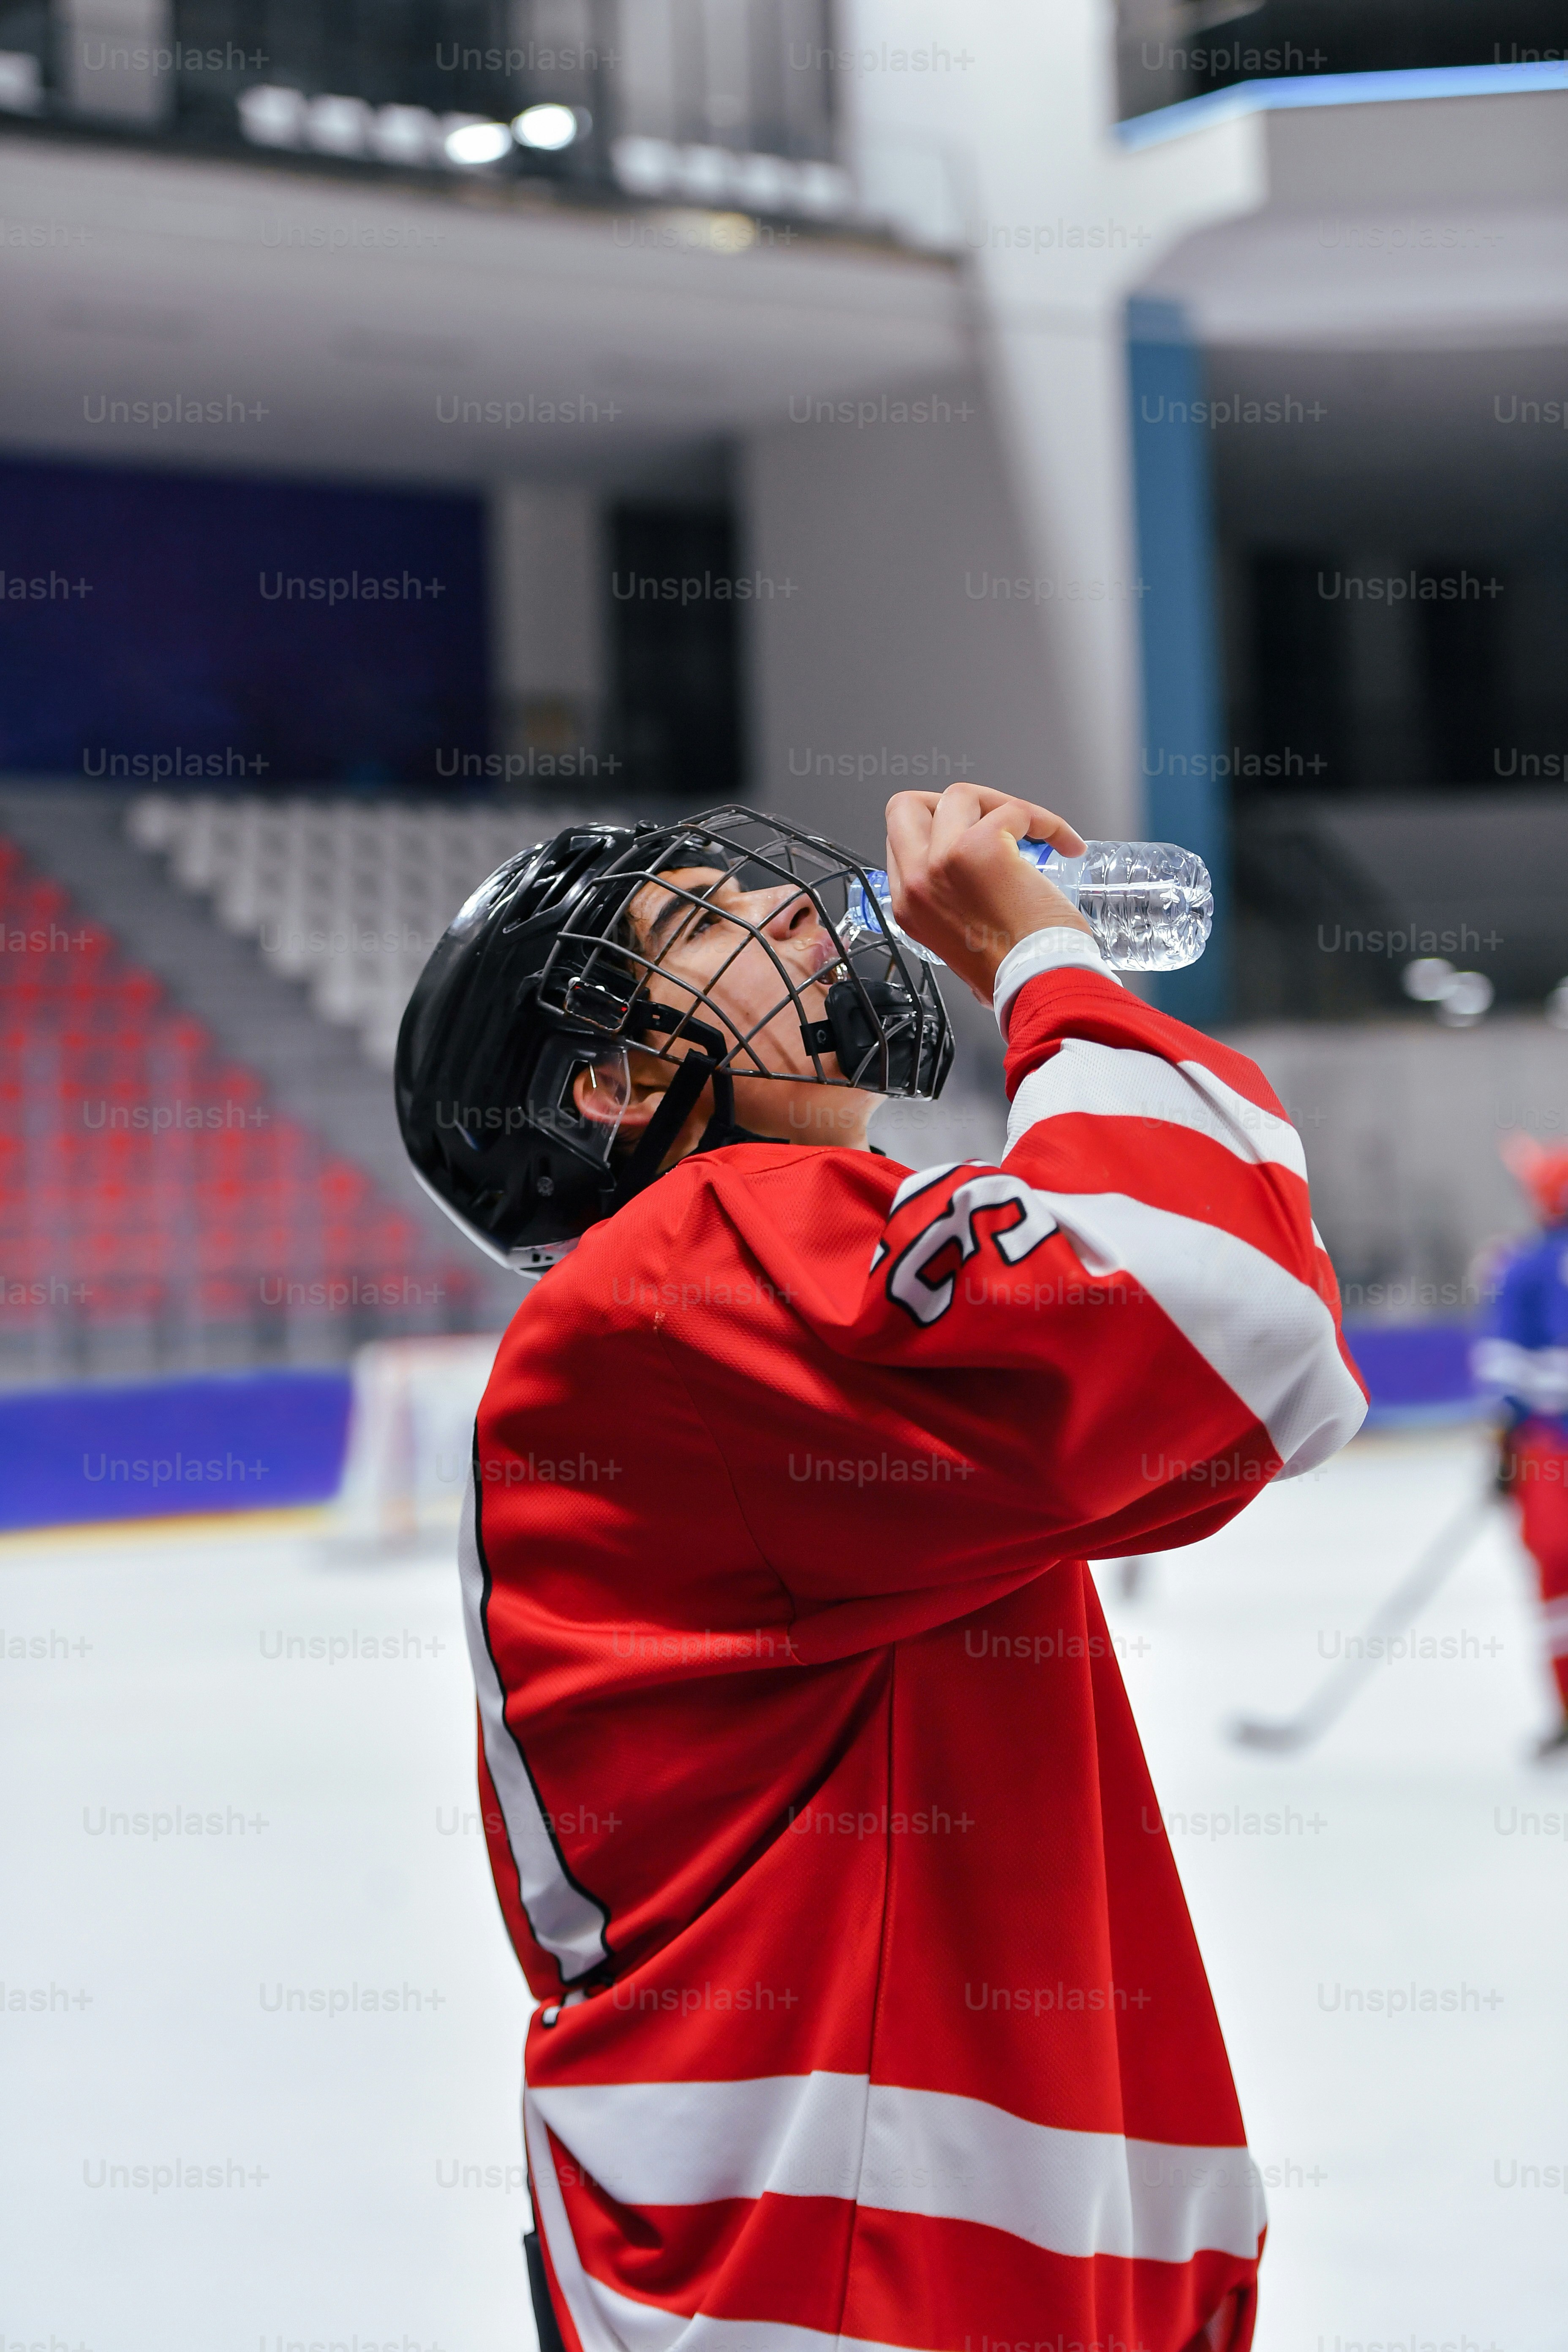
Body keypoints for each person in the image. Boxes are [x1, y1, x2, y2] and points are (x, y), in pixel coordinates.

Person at [396, 784, 1367, 2352]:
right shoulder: (694, 1257)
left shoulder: (731, 1310)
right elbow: (1238, 1322)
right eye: (700, 921)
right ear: (616, 1082)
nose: (791, 907)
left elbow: (1222, 1402)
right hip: (834, 2271)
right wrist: (1043, 959)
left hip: (863, 2254)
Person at [1473, 1135, 1568, 1758]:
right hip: (1550, 1445)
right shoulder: (1526, 1265)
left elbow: (1505, 1373)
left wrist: (1502, 1449)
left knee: (1557, 1578)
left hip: (1548, 1449)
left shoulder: (1523, 1265)